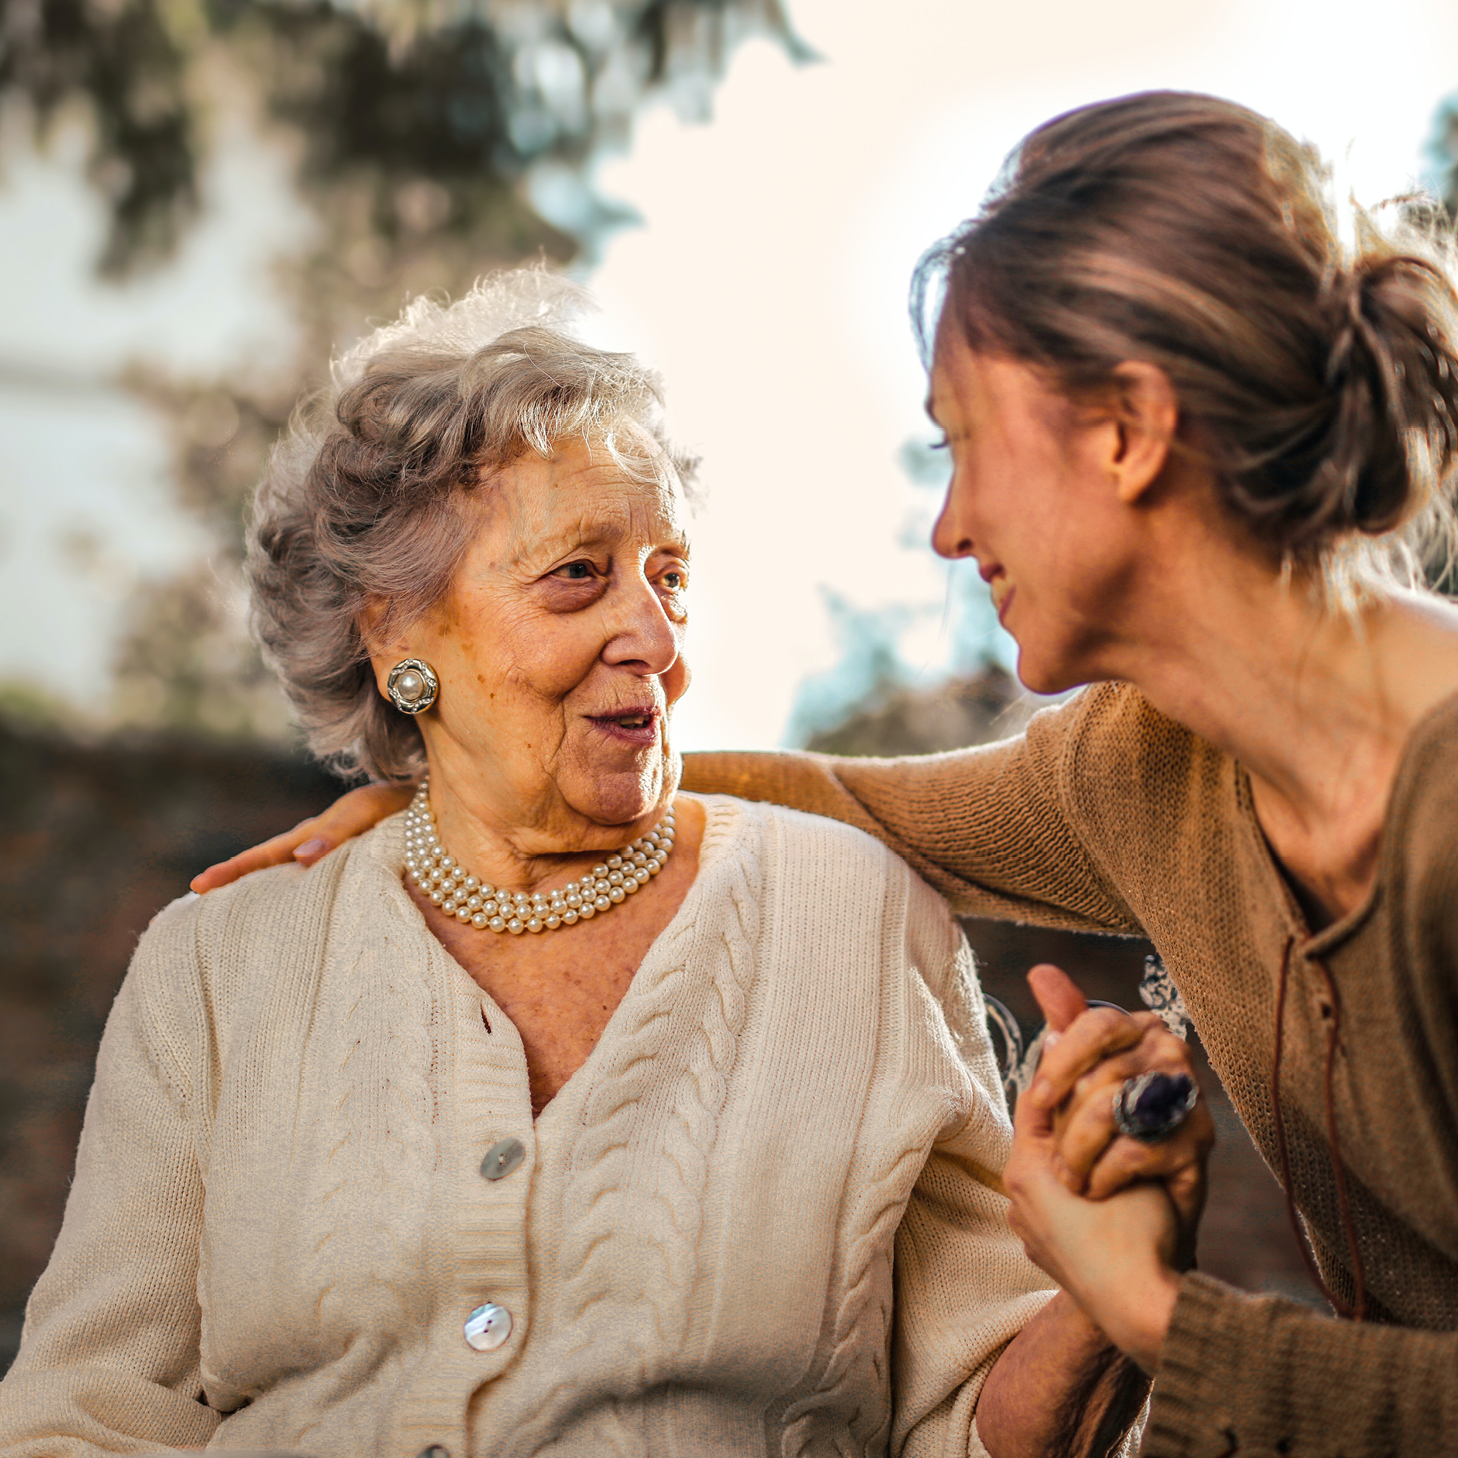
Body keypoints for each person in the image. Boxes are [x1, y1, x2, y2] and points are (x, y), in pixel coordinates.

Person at [214, 92, 1458, 1456]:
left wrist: (1155, 1315)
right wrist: (464, 776)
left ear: (1125, 430)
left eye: (964, 442)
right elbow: (851, 802)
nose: (947, 524)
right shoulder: (1147, 768)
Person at [0, 271, 1153, 1458]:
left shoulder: (855, 919)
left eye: (671, 578)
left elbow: (979, 1429)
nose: (657, 642)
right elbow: (80, 1421)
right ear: (394, 631)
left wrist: (1102, 1294)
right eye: (578, 575)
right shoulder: (219, 965)